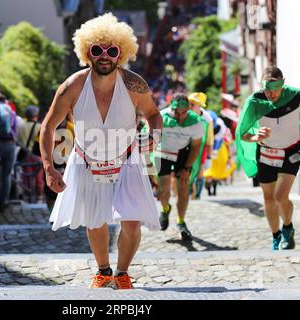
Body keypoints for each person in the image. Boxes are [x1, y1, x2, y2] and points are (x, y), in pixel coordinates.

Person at [40, 13, 163, 290]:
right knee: (95, 221)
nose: (104, 56)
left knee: (131, 223)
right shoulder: (72, 86)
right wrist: (49, 167)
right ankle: (103, 271)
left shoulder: (135, 85)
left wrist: (154, 136)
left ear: (122, 54)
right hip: (86, 162)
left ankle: (122, 273)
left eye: (112, 50)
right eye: (97, 50)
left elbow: (154, 115)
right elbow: (48, 127)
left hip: (127, 161)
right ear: (87, 53)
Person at [236, 66, 300, 251]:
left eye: (274, 88)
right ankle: (276, 236)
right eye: (266, 88)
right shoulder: (255, 101)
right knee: (268, 199)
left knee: (280, 196)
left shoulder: (297, 96)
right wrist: (255, 137)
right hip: (266, 153)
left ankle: (288, 226)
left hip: (292, 151)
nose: (270, 93)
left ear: (282, 84)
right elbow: (241, 134)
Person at [153, 93, 206, 240]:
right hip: (163, 152)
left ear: (189, 109)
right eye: (177, 112)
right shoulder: (161, 117)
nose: (181, 116)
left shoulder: (195, 121)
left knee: (183, 188)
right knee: (162, 191)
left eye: (184, 113)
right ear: (172, 108)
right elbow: (149, 139)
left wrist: (187, 168)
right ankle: (165, 209)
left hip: (183, 153)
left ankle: (181, 222)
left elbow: (196, 146)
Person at [188, 92, 214, 199]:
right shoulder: (186, 114)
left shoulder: (207, 119)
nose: (190, 106)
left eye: (192, 104)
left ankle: (197, 194)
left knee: (200, 171)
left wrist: (209, 156)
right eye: (189, 104)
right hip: (187, 146)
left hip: (201, 148)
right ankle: (189, 191)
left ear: (199, 106)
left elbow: (209, 139)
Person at [17, 105, 44, 202]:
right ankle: (39, 198)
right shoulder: (40, 126)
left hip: (24, 155)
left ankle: (26, 196)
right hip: (37, 155)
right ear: (36, 114)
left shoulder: (20, 127)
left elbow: (18, 141)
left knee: (26, 177)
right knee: (39, 178)